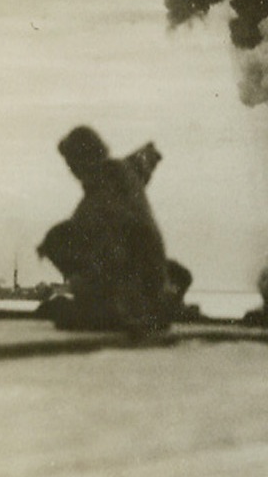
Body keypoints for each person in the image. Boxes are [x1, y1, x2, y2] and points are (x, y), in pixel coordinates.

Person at [36, 126, 170, 334]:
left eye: (72, 163)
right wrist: (150, 153)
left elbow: (112, 247)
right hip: (152, 278)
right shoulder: (125, 170)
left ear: (80, 162)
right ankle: (132, 304)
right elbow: (143, 161)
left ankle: (117, 308)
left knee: (58, 239)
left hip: (132, 287)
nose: (71, 170)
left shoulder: (98, 199)